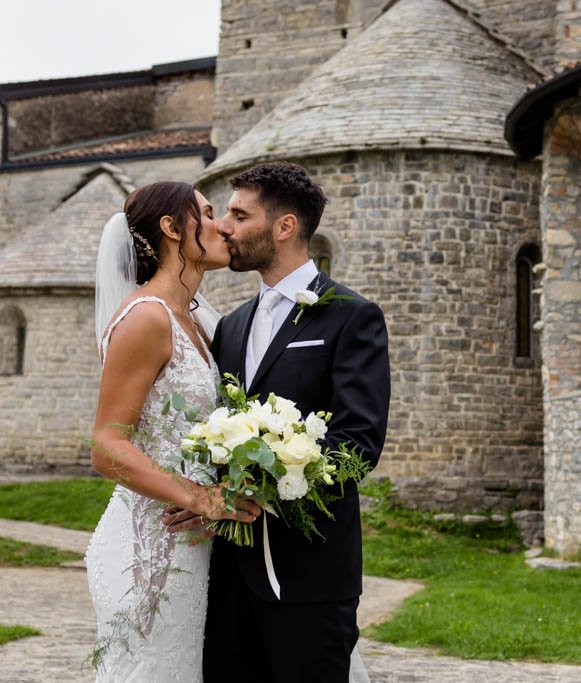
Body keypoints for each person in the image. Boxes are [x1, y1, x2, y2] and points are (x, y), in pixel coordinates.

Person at [167, 162, 390, 682]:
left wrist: (264, 489)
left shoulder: (350, 316)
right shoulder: (230, 325)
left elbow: (358, 442)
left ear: (284, 227)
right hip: (228, 576)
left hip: (310, 572)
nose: (224, 226)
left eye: (239, 215)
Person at [85, 181, 263, 682]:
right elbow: (106, 445)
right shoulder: (147, 318)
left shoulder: (200, 323)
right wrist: (203, 498)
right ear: (170, 228)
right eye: (207, 214)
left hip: (195, 546)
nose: (222, 226)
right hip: (151, 548)